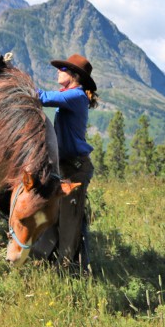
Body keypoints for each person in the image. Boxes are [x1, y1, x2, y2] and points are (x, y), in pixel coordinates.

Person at [30, 54, 98, 273]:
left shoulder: (76, 96)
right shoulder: (72, 95)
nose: (58, 71)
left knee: (69, 220)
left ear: (74, 76)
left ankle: (65, 268)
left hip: (74, 168)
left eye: (62, 69)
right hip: (66, 166)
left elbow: (40, 96)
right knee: (55, 214)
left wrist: (15, 85)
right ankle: (42, 259)